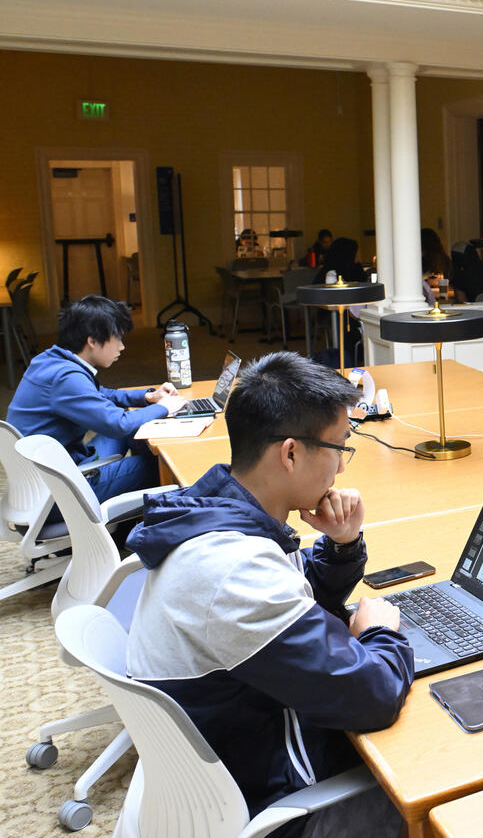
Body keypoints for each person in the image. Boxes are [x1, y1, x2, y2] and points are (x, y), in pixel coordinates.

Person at [125, 351, 414, 837]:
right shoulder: (234, 571)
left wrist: (342, 547)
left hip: (232, 755)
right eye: (341, 445)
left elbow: (286, 608)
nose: (342, 468)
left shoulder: (220, 512)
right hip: (273, 803)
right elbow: (372, 696)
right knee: (446, 791)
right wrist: (383, 636)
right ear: (291, 453)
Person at [8, 295, 186, 500]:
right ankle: (135, 521)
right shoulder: (65, 378)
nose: (122, 346)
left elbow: (101, 395)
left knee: (135, 430)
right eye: (117, 338)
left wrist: (149, 396)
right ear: (92, 341)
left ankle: (136, 508)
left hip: (48, 475)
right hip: (56, 493)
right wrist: (165, 407)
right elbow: (116, 423)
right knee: (163, 467)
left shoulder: (51, 360)